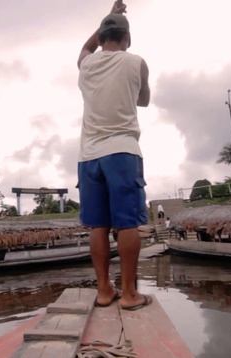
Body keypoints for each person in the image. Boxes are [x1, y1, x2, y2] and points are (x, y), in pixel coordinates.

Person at [77, 0, 151, 310]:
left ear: (101, 35)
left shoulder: (87, 66)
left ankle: (105, 291)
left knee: (98, 226)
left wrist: (109, 15)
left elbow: (85, 48)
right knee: (128, 224)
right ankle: (130, 294)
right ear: (127, 38)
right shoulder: (136, 63)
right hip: (122, 152)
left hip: (88, 156)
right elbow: (144, 100)